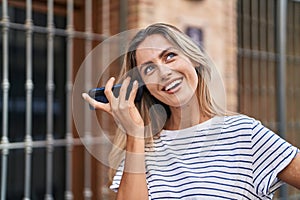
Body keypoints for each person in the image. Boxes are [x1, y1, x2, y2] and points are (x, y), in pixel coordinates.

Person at [82, 23, 300, 200]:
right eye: (149, 69)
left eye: (169, 56)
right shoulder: (140, 149)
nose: (164, 72)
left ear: (193, 58)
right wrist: (135, 135)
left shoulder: (245, 134)